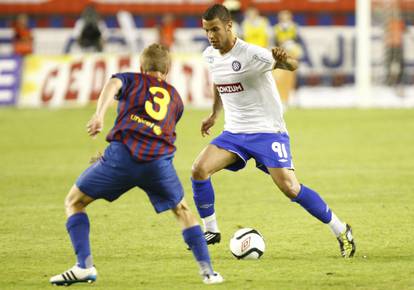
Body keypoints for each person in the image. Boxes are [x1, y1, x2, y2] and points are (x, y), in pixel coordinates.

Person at [49, 44, 223, 286]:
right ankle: (209, 273)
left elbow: (112, 84)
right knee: (183, 211)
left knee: (74, 202)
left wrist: (99, 115)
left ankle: (84, 266)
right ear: (168, 70)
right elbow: (161, 131)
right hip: (157, 164)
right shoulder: (176, 99)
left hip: (121, 158)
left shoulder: (131, 79)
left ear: (141, 67)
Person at [192, 4, 356, 258]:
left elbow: (292, 65)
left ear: (228, 26)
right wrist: (214, 113)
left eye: (215, 29)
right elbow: (218, 79)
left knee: (291, 187)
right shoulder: (210, 55)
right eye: (206, 31)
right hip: (234, 133)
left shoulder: (251, 54)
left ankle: (341, 230)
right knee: (199, 169)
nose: (211, 35)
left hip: (267, 132)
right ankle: (210, 230)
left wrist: (283, 58)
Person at [273, 10, 302, 106]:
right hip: (282, 54)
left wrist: (288, 42)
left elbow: (297, 40)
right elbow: (275, 41)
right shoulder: (277, 28)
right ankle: (283, 98)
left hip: (292, 53)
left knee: (293, 77)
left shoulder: (294, 27)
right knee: (280, 78)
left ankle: (295, 98)